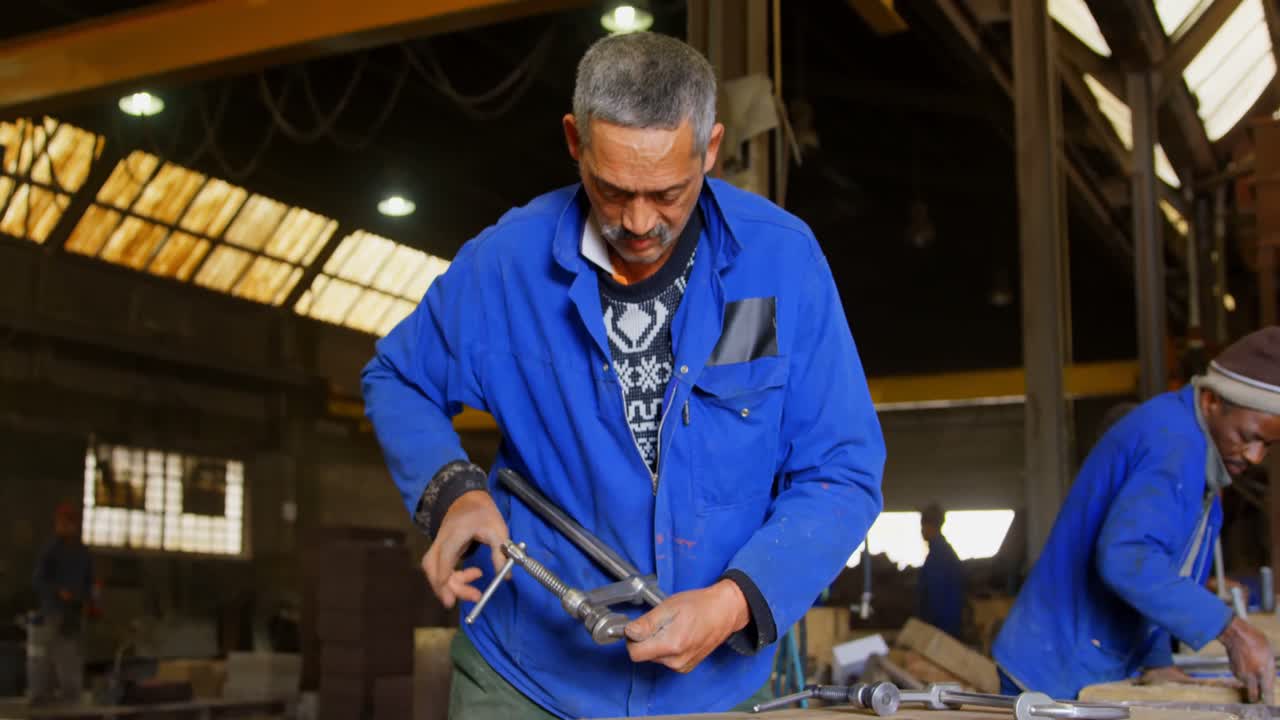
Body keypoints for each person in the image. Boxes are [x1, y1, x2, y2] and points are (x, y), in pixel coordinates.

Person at [362, 32, 885, 719]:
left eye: (669, 193)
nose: (639, 223)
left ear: (712, 148)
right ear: (575, 140)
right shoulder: (506, 267)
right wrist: (453, 493)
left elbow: (841, 470)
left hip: (714, 690)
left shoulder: (781, 267)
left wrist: (733, 605)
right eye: (612, 190)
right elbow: (399, 377)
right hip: (527, 679)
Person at [994, 328, 1280, 702]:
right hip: (1054, 671)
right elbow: (1127, 557)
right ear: (1211, 400)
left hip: (1079, 661)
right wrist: (1233, 630)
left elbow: (1159, 572)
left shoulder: (1196, 451)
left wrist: (1156, 659)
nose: (1255, 456)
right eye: (1248, 435)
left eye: (1269, 445)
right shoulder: (1173, 444)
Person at [29, 503, 93, 704]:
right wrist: (58, 591)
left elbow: (88, 581)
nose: (65, 526)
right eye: (62, 523)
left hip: (72, 615)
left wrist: (87, 600)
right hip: (51, 613)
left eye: (69, 523)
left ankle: (71, 697)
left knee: (70, 657)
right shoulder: (51, 550)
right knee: (42, 658)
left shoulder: (82, 553)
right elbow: (38, 580)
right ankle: (39, 696)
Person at [918, 503, 964, 638]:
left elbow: (935, 595)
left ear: (930, 526)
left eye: (923, 526)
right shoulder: (943, 552)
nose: (921, 531)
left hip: (942, 628)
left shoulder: (939, 555)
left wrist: (928, 625)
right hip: (946, 624)